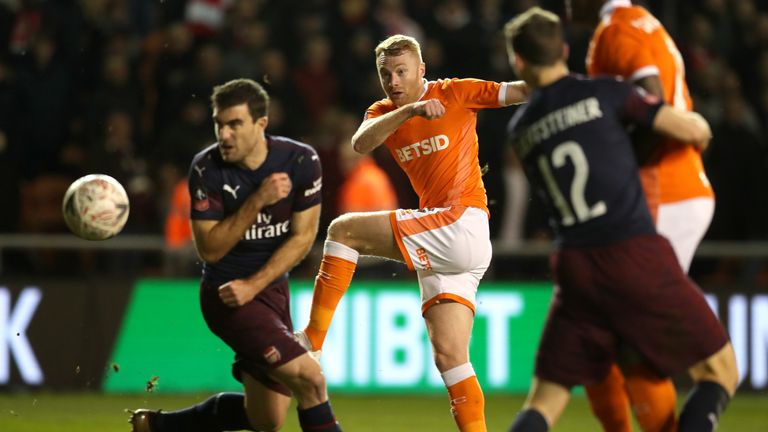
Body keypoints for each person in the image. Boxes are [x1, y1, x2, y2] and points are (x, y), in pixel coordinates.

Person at [503, 8, 738, 432]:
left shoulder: (521, 128)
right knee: (720, 371)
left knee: (543, 401)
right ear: (567, 49)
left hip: (575, 268)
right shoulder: (607, 94)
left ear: (518, 62)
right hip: (633, 252)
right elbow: (683, 129)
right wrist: (698, 124)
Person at [293, 34, 528, 432]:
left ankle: (312, 340)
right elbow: (360, 142)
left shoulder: (456, 93)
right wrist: (411, 111)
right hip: (453, 240)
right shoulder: (384, 111)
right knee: (450, 358)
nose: (394, 81)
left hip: (460, 223)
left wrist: (563, 81)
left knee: (343, 231)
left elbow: (519, 90)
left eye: (402, 72)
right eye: (386, 75)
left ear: (422, 70)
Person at [128, 79, 342, 432]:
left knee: (267, 419)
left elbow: (303, 237)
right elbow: (209, 248)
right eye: (219, 124)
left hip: (270, 293)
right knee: (312, 380)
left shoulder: (301, 160)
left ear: (261, 124)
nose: (224, 135)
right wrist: (257, 199)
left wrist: (256, 284)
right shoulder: (206, 169)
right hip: (227, 296)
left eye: (235, 124)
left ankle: (156, 427)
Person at [568, 1, 717, 430]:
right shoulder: (634, 23)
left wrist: (618, 170)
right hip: (669, 191)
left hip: (663, 192)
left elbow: (653, 106)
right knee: (611, 335)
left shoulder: (619, 31)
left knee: (625, 336)